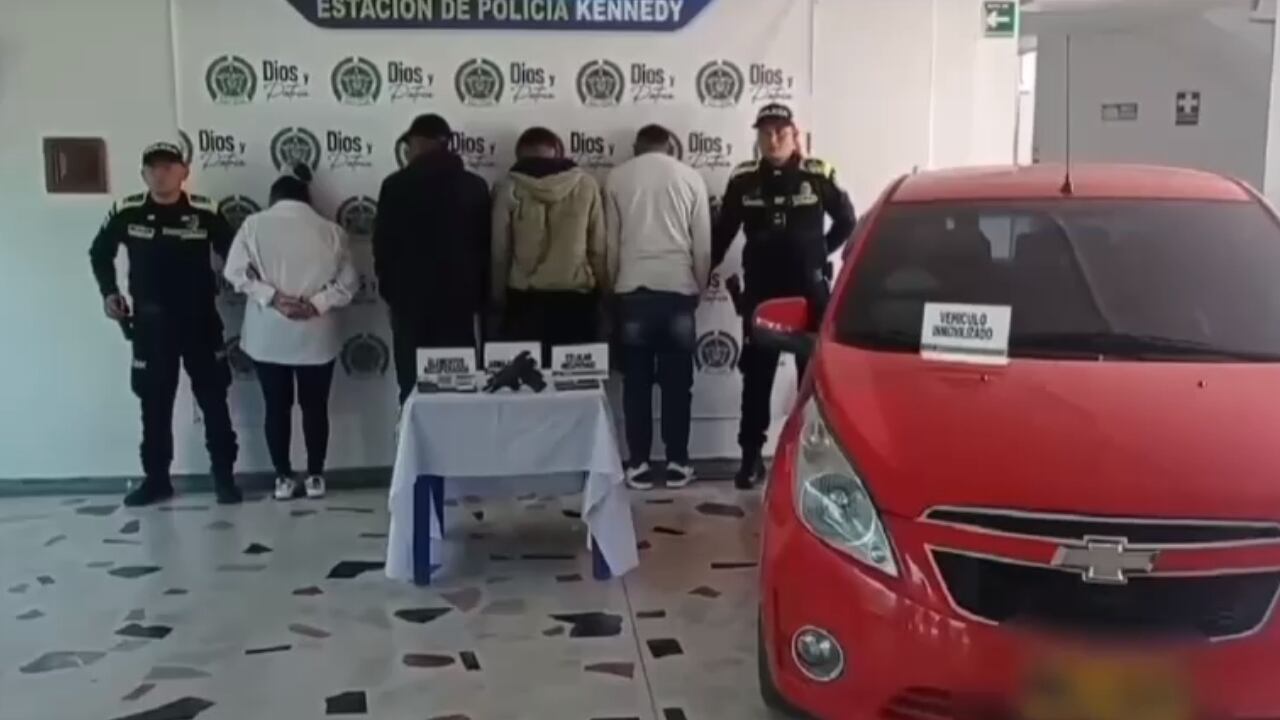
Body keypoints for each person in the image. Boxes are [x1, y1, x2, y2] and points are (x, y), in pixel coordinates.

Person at [712, 104, 856, 490]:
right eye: (766, 133)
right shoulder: (743, 180)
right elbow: (723, 230)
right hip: (761, 291)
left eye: (781, 132)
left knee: (813, 379)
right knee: (756, 378)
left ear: (795, 135)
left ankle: (819, 460)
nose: (773, 139)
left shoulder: (817, 174)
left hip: (809, 292)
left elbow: (848, 222)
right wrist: (702, 269)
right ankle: (749, 459)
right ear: (757, 138)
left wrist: (817, 253)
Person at [89, 142, 241, 506]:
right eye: (153, 168)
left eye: (169, 167)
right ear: (144, 174)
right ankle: (157, 479)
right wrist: (109, 293)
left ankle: (224, 478)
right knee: (154, 406)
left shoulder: (205, 211)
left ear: (184, 172)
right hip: (150, 326)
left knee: (214, 401)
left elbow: (236, 254)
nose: (161, 174)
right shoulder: (127, 211)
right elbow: (99, 252)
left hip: (200, 322)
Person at [223, 164, 357, 501]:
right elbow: (349, 283)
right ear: (307, 198)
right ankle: (315, 476)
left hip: (269, 334)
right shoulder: (331, 231)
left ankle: (282, 478)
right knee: (315, 408)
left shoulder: (254, 225)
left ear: (273, 197)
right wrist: (315, 304)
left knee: (276, 408)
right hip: (317, 334)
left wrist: (272, 298)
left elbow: (234, 272)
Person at [605, 125, 711, 490]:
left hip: (632, 291)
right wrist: (695, 286)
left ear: (636, 147)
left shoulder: (617, 178)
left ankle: (638, 464)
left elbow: (610, 245)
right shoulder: (691, 177)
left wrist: (612, 288)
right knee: (678, 384)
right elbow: (702, 246)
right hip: (677, 289)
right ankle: (679, 462)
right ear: (671, 147)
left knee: (635, 384)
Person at [374, 114, 491, 403]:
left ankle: (416, 449)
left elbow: (383, 248)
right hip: (459, 306)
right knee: (459, 389)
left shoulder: (395, 186)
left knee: (414, 393)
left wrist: (391, 295)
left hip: (410, 305)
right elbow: (487, 248)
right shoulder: (474, 186)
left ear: (417, 142)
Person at [491, 127, 611, 361]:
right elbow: (597, 248)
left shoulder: (508, 187)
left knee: (529, 386)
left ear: (519, 155)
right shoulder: (587, 185)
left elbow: (500, 251)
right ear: (557, 152)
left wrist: (497, 297)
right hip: (576, 301)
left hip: (525, 300)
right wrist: (606, 292)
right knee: (577, 387)